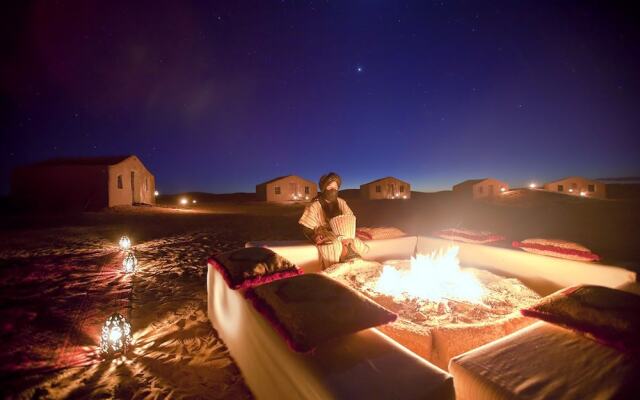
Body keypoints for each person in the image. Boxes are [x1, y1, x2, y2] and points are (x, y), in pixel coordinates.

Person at [299, 172, 368, 267]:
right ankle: (333, 267)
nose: (333, 190)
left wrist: (350, 230)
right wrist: (314, 236)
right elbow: (307, 227)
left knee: (355, 243)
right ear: (324, 189)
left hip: (343, 233)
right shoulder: (314, 205)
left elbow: (349, 218)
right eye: (330, 187)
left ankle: (354, 265)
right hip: (324, 233)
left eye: (335, 188)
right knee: (334, 245)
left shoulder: (341, 202)